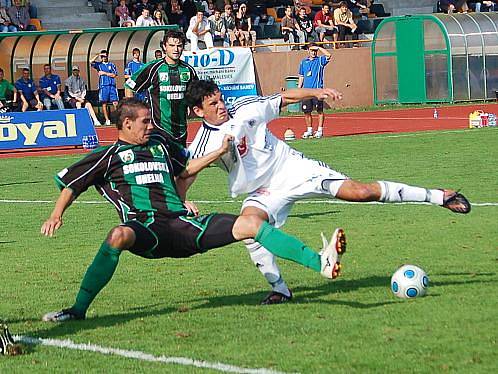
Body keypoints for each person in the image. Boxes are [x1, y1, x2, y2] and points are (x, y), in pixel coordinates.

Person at [40, 97, 346, 322]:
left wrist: (218, 152)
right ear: (127, 124)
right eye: (145, 121)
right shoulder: (107, 156)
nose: (151, 125)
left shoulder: (159, 143)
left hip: (184, 225)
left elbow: (184, 170)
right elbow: (72, 184)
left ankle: (319, 262)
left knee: (250, 224)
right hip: (148, 231)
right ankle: (77, 311)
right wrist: (57, 214)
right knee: (119, 234)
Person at [186, 79, 472, 304]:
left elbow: (284, 98)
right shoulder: (202, 142)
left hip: (294, 168)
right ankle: (281, 290)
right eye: (214, 103)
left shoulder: (246, 108)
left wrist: (318, 91)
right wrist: (184, 198)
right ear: (198, 111)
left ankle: (439, 196)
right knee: (249, 229)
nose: (222, 105)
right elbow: (188, 172)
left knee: (360, 192)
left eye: (221, 99)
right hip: (262, 191)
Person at [125, 30, 198, 147]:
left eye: (179, 46)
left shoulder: (188, 70)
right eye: (172, 45)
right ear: (164, 47)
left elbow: (196, 95)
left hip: (181, 130)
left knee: (180, 164)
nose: (176, 49)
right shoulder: (154, 68)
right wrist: (131, 113)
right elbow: (130, 86)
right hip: (158, 129)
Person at [298, 43, 331, 139]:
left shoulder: (320, 60)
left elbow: (329, 55)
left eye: (315, 51)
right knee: (306, 111)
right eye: (312, 50)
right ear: (308, 51)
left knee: (319, 110)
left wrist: (319, 47)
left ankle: (320, 130)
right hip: (306, 91)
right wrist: (299, 88)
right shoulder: (303, 62)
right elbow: (301, 76)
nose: (314, 52)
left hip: (317, 91)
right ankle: (309, 130)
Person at [91, 49, 119, 126]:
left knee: (115, 103)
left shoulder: (112, 65)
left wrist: (105, 73)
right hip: (103, 86)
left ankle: (117, 119)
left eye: (105, 56)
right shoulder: (99, 65)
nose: (104, 57)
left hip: (112, 86)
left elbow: (114, 75)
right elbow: (91, 62)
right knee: (104, 103)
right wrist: (98, 55)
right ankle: (107, 120)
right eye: (102, 56)